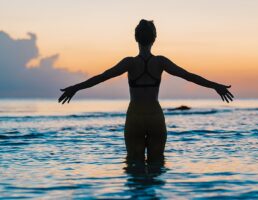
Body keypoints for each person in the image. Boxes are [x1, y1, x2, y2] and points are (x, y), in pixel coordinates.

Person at [58, 19, 234, 164]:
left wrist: (75, 88)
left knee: (134, 169)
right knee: (157, 167)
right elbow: (189, 76)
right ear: (154, 38)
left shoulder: (129, 63)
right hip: (155, 117)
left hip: (134, 117)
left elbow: (101, 77)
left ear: (136, 38)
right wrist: (215, 86)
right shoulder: (160, 62)